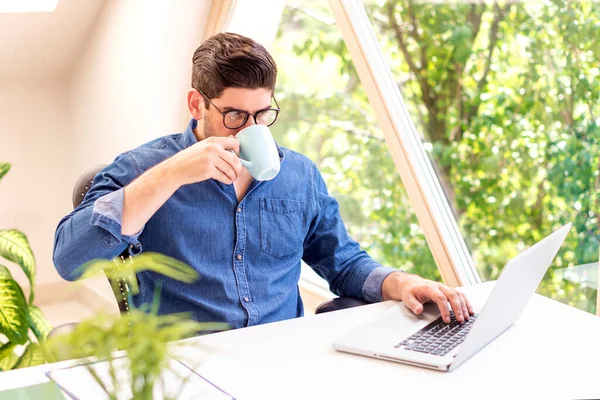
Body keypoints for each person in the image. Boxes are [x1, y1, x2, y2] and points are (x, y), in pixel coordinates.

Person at [53, 32, 473, 329]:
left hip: (281, 359)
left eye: (263, 115)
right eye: (235, 115)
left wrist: (404, 283)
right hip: (185, 370)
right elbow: (70, 260)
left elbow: (343, 263)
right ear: (197, 104)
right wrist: (172, 175)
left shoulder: (298, 175)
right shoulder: (143, 167)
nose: (251, 129)